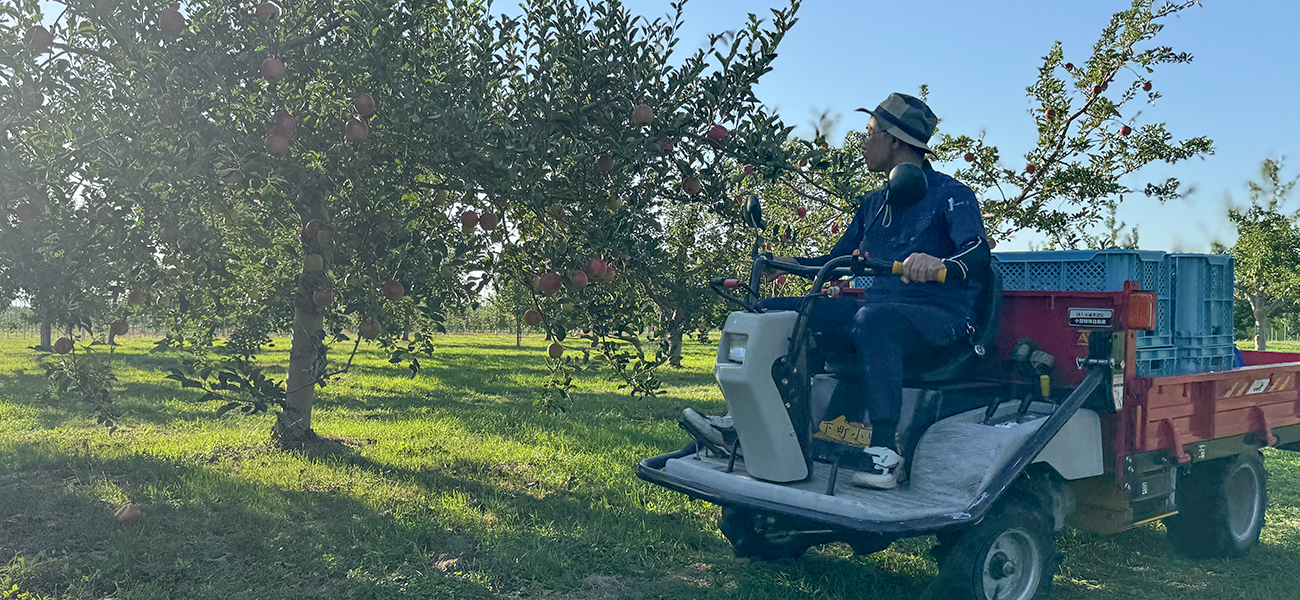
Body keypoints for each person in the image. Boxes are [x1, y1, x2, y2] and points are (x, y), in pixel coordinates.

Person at [683, 93, 991, 490]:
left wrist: (941, 264)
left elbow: (977, 251)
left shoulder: (952, 194)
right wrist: (784, 263)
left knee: (873, 320)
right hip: (877, 315)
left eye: (870, 132)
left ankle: (885, 454)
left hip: (943, 319)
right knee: (777, 312)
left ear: (895, 140)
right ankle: (744, 427)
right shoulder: (874, 204)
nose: (864, 142)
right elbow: (833, 261)